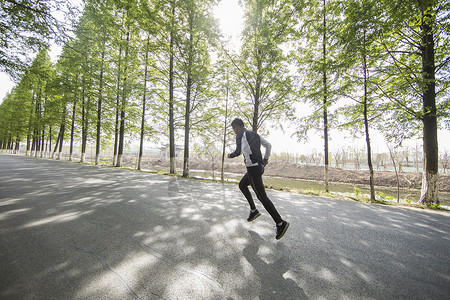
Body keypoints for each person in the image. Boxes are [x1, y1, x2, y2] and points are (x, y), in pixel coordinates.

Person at [227, 118, 289, 240]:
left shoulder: (240, 134)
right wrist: (265, 160)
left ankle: (280, 223)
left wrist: (230, 155)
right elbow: (268, 145)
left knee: (262, 197)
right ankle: (253, 210)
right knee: (242, 185)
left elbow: (238, 151)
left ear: (237, 127)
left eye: (234, 129)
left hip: (253, 169)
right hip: (258, 167)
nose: (234, 132)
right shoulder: (255, 134)